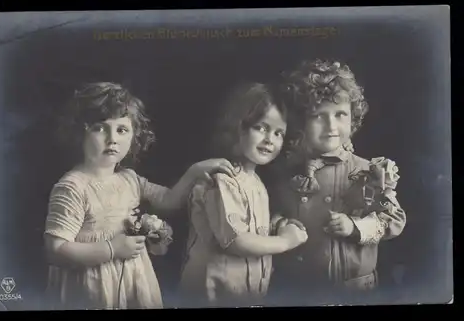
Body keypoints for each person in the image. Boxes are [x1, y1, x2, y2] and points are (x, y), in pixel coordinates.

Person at [43, 82, 236, 310]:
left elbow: (169, 200)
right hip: (92, 285)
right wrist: (111, 249)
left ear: (134, 136)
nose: (112, 138)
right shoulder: (72, 187)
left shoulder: (129, 179)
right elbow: (55, 250)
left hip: (132, 279)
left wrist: (194, 171)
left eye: (122, 130)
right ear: (79, 131)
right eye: (100, 127)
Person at [266, 59, 407, 305]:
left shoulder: (368, 170)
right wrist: (281, 225)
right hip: (297, 290)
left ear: (353, 115)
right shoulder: (284, 171)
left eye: (340, 114)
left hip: (355, 291)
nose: (331, 126)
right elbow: (270, 213)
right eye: (318, 116)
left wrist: (355, 227)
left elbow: (392, 220)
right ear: (299, 121)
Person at [178, 82, 308, 308]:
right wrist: (286, 240)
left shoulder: (256, 182)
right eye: (262, 127)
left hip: (246, 293)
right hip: (212, 296)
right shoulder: (221, 179)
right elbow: (237, 241)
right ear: (238, 127)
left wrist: (279, 224)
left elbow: (254, 225)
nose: (270, 139)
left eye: (279, 133)